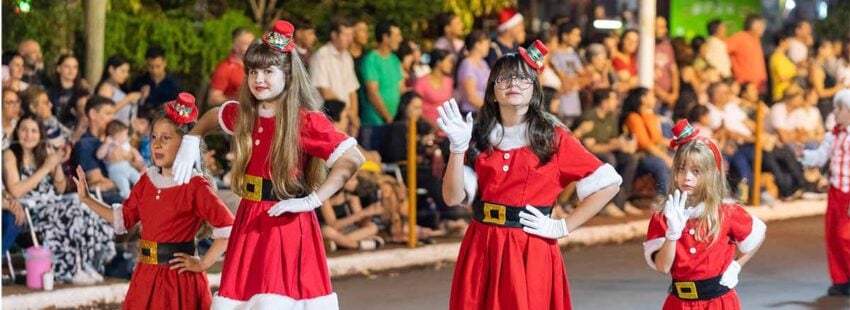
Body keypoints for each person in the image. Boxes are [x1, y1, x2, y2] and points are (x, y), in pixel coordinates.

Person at [169, 20, 365, 308]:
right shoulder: (246, 114)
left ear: (288, 75)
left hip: (284, 223)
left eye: (268, 71)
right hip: (249, 221)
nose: (259, 79)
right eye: (253, 71)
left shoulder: (304, 121)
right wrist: (191, 138)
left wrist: (312, 200)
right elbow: (215, 115)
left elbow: (352, 159)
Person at [440, 40, 621, 309]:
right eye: (504, 78)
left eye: (523, 79)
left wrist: (563, 226)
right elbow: (453, 198)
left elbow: (608, 183)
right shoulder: (477, 136)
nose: (514, 84)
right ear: (492, 92)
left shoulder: (553, 137)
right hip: (483, 245)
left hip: (530, 249)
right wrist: (457, 148)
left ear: (534, 90)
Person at [73, 93, 235, 309]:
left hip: (178, 281)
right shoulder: (147, 180)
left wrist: (204, 263)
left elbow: (228, 226)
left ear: (185, 144)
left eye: (166, 138)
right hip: (145, 277)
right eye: (154, 137)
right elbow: (124, 218)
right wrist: (87, 199)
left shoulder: (195, 185)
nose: (157, 145)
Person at [643, 120, 766, 309]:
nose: (687, 177)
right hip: (679, 304)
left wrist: (736, 266)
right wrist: (672, 235)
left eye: (696, 171)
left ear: (711, 174)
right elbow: (663, 267)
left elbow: (757, 236)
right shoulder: (664, 216)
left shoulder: (727, 211)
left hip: (719, 303)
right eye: (681, 169)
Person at [4, 115, 115, 283]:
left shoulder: (43, 152)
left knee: (88, 205)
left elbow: (61, 188)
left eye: (34, 131)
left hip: (54, 203)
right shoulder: (10, 154)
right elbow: (16, 190)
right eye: (24, 130)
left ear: (40, 134)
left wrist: (56, 165)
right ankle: (69, 269)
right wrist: (47, 166)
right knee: (70, 211)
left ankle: (86, 262)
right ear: (17, 133)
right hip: (30, 210)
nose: (29, 135)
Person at [800, 89, 850, 296]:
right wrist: (803, 154)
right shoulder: (833, 135)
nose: (835, 112)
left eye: (839, 109)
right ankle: (840, 279)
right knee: (833, 237)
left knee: (846, 237)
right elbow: (819, 158)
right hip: (836, 193)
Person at [359, 20, 404, 151]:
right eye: (397, 35)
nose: (400, 39)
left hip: (392, 123)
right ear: (385, 37)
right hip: (374, 123)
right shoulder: (371, 59)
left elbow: (400, 88)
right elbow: (373, 93)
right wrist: (387, 117)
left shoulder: (395, 60)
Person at [310, 18, 360, 136]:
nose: (350, 39)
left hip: (346, 117)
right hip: (329, 118)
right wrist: (349, 113)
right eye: (346, 34)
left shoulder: (347, 57)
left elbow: (352, 91)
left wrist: (354, 116)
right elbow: (325, 92)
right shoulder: (321, 56)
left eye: (351, 35)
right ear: (334, 35)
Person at [207, 28, 255, 106]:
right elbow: (213, 99)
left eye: (253, 43)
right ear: (235, 45)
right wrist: (238, 100)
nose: (252, 47)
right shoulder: (225, 68)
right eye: (247, 44)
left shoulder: (257, 66)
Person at [96, 120, 143, 199]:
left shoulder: (125, 143)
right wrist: (106, 144)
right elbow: (99, 156)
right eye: (123, 135)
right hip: (116, 172)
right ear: (114, 136)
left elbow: (132, 150)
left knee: (138, 178)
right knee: (124, 185)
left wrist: (138, 157)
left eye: (126, 134)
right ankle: (128, 200)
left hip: (128, 168)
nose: (126, 137)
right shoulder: (109, 145)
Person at [96, 55, 142, 125]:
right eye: (122, 71)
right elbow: (104, 112)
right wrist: (127, 99)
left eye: (127, 72)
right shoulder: (106, 88)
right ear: (111, 69)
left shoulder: (118, 87)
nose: (126, 75)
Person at [130, 46, 181, 110]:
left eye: (158, 66)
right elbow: (131, 106)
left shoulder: (174, 84)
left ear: (164, 63)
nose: (154, 70)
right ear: (146, 64)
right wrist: (141, 97)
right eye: (151, 67)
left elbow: (182, 108)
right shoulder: (140, 82)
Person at [414, 49, 454, 128]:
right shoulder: (421, 83)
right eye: (449, 61)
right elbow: (415, 109)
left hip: (447, 129)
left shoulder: (449, 81)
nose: (451, 65)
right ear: (439, 62)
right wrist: (433, 125)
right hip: (428, 129)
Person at [456, 30, 491, 114]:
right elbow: (471, 96)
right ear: (477, 44)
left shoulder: (483, 63)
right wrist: (489, 111)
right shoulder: (467, 64)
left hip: (482, 111)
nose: (489, 46)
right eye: (487, 43)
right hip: (471, 112)